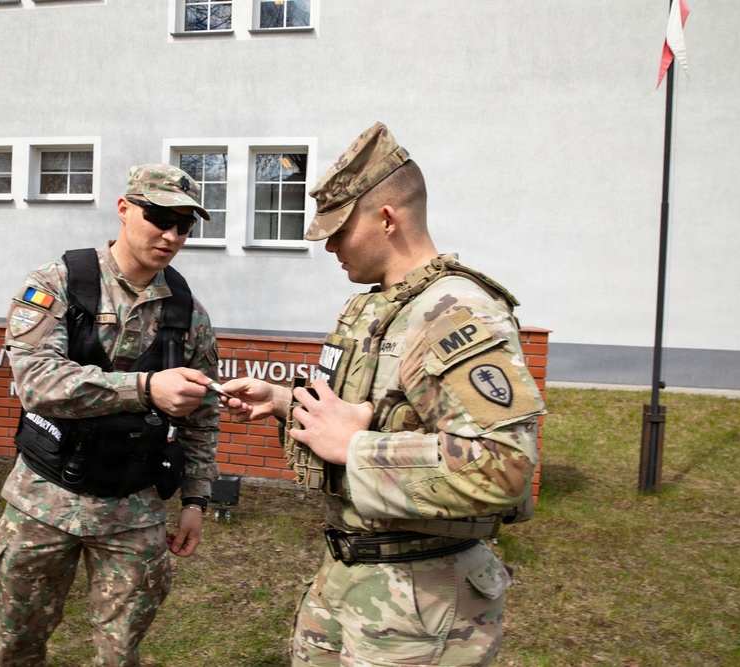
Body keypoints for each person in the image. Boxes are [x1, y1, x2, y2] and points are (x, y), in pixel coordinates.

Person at [222, 122, 545, 667]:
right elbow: (380, 411)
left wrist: (357, 449)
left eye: (338, 230)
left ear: (388, 219)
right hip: (356, 575)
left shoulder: (455, 313)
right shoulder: (384, 306)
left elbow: (505, 467)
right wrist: (282, 402)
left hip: (424, 600)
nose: (328, 246)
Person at [0, 164, 221, 667]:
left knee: (120, 653)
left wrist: (197, 499)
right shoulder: (58, 283)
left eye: (185, 225)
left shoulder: (188, 314)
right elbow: (37, 383)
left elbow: (203, 415)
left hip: (131, 510)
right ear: (124, 208)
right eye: (160, 216)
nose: (172, 234)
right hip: (43, 502)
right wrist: (145, 388)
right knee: (18, 645)